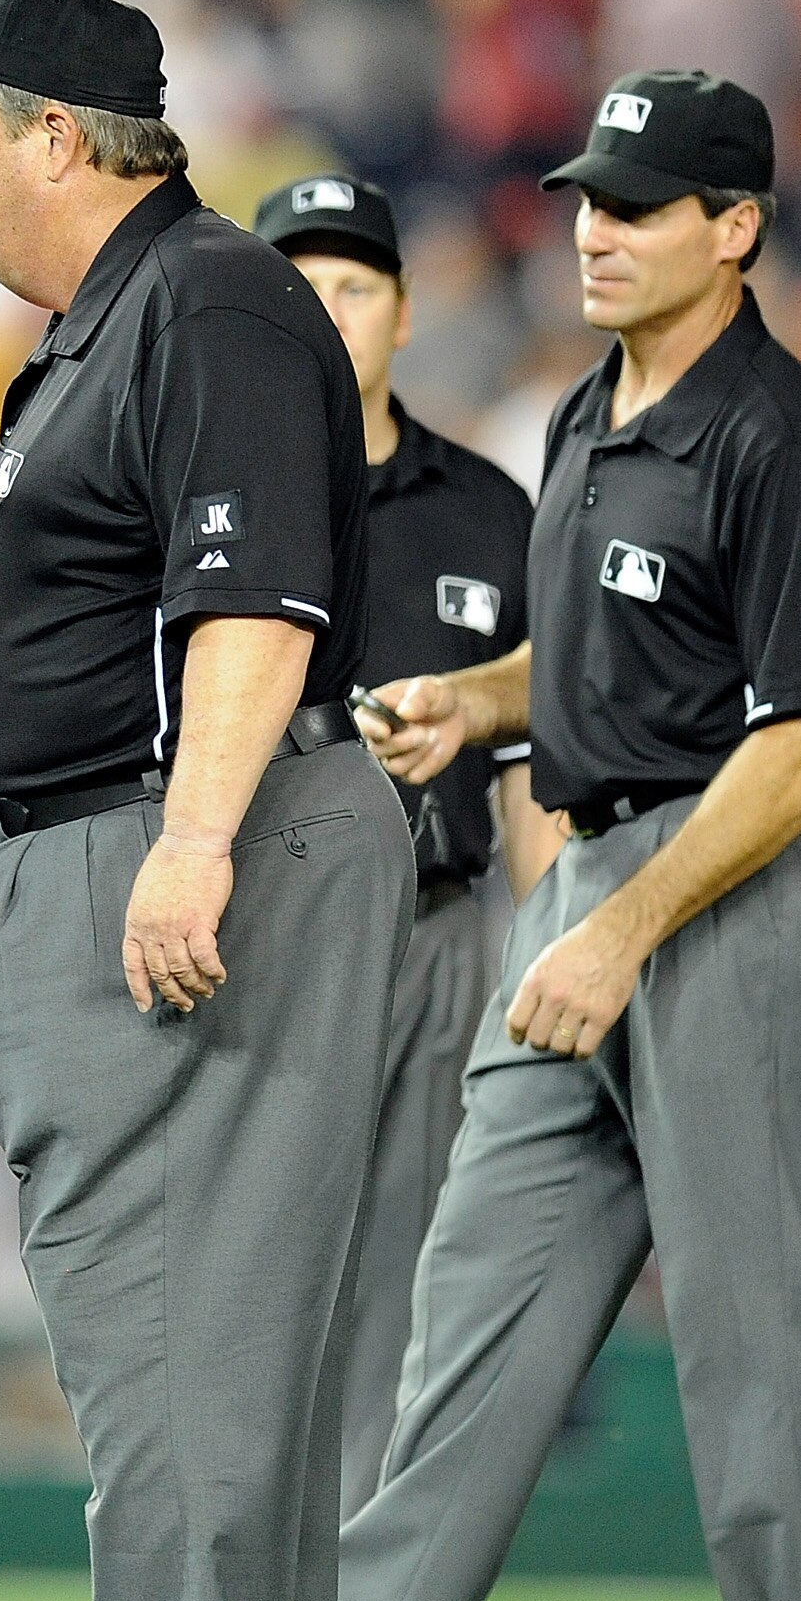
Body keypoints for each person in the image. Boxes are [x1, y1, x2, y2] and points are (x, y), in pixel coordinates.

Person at [327, 71, 801, 1601]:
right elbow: (614, 660)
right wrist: (481, 699)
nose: (593, 227)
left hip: (723, 885)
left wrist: (624, 932)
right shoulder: (591, 412)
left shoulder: (788, 438)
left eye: (640, 202)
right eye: (586, 195)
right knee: (474, 1304)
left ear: (735, 228)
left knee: (754, 1330)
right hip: (592, 872)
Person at [0, 0, 409, 1601]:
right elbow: (77, 628)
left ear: (56, 133)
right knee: (198, 1334)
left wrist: (189, 843)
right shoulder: (108, 322)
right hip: (83, 838)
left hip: (180, 847)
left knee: (172, 1332)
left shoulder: (205, 299)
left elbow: (253, 597)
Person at [251, 174, 563, 1524]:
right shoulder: (190, 501)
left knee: (398, 1288)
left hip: (437, 933)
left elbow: (537, 770)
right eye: (297, 288)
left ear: (405, 310)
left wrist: (550, 956)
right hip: (246, 937)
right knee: (242, 1274)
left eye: (355, 285)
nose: (326, 312)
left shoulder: (491, 510)